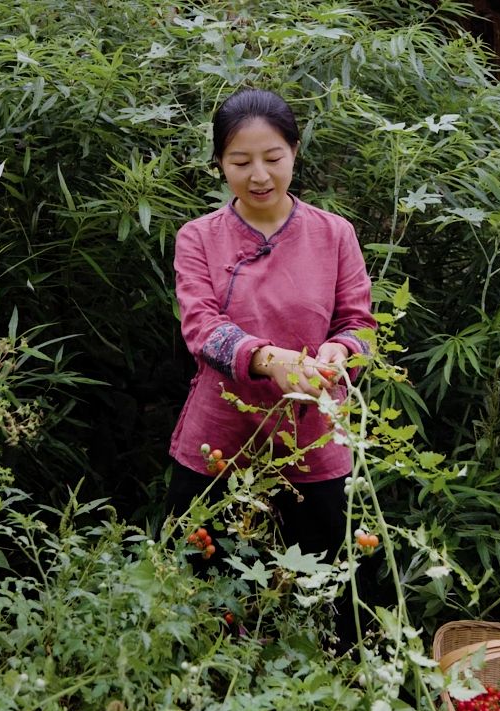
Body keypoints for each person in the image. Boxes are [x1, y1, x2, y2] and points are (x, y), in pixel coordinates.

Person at [164, 88, 377, 631]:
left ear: (295, 152)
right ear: (219, 165)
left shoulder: (334, 234)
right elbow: (202, 329)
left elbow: (361, 327)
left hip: (314, 438)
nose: (259, 175)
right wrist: (267, 359)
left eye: (273, 158)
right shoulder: (198, 239)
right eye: (240, 161)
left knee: (331, 591)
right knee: (207, 590)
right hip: (220, 443)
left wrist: (338, 351)